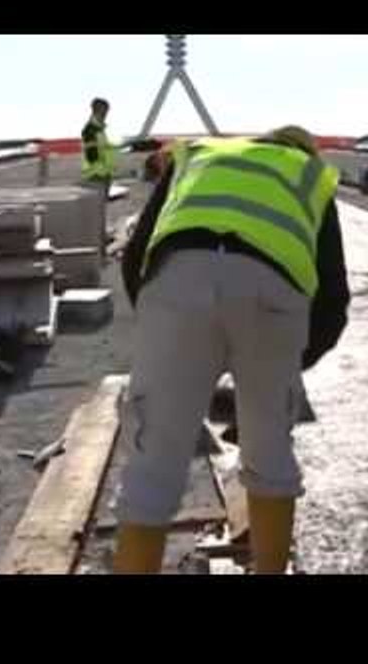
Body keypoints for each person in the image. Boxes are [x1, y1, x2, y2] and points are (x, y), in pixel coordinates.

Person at [114, 126, 350, 574]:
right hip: (272, 296)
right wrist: (284, 369)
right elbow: (333, 303)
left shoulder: (198, 155)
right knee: (271, 458)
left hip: (175, 282)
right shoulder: (309, 174)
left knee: (152, 468)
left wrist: (159, 330)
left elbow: (137, 252)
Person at [81, 98, 118, 259]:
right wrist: (103, 173)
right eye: (105, 111)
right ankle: (99, 252)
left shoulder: (99, 129)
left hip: (103, 176)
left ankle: (101, 248)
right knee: (97, 216)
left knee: (100, 214)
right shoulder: (90, 130)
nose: (106, 114)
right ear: (97, 110)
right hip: (96, 177)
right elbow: (92, 157)